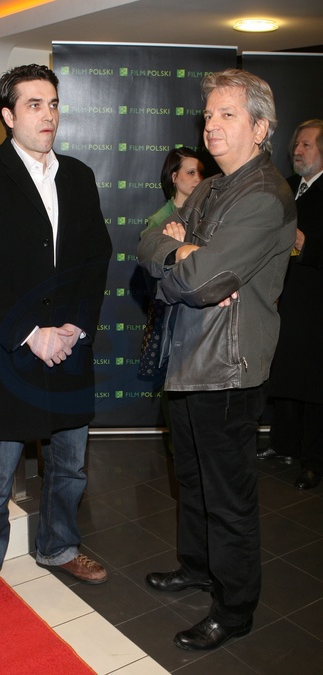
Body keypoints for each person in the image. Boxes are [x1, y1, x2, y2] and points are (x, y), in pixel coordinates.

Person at [0, 64, 112, 623]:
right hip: (7, 350)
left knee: (70, 467)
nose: (49, 115)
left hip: (67, 349)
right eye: (35, 104)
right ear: (8, 115)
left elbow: (95, 260)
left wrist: (75, 328)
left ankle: (59, 546)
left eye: (54, 103)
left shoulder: (79, 177)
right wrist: (30, 333)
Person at [137, 68, 296, 651]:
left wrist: (185, 257)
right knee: (192, 480)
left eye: (227, 114)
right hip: (188, 358)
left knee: (228, 498)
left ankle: (234, 608)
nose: (212, 125)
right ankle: (198, 567)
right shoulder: (208, 188)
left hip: (228, 368)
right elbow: (147, 243)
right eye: (209, 114)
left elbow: (202, 282)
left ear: (260, 127)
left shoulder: (265, 197)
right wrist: (183, 250)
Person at [257, 119, 323, 490]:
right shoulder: (285, 187)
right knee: (283, 373)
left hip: (314, 304)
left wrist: (304, 243)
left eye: (307, 145)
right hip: (282, 299)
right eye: (296, 145)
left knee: (313, 383)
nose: (298, 151)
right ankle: (283, 444)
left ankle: (314, 461)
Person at [138, 148, 204, 428]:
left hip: (201, 315)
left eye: (201, 172)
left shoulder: (207, 215)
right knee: (174, 392)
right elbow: (152, 280)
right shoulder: (160, 221)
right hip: (170, 317)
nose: (198, 179)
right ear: (174, 178)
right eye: (190, 172)